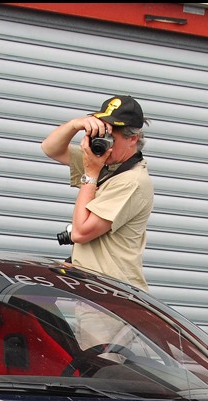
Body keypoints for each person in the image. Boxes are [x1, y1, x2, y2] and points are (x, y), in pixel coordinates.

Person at [41, 95, 153, 290]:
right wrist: (75, 125)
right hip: (95, 293)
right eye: (102, 133)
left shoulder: (132, 181)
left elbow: (80, 232)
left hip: (116, 298)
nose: (103, 143)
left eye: (111, 137)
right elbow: (50, 148)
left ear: (133, 138)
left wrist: (90, 175)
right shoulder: (107, 164)